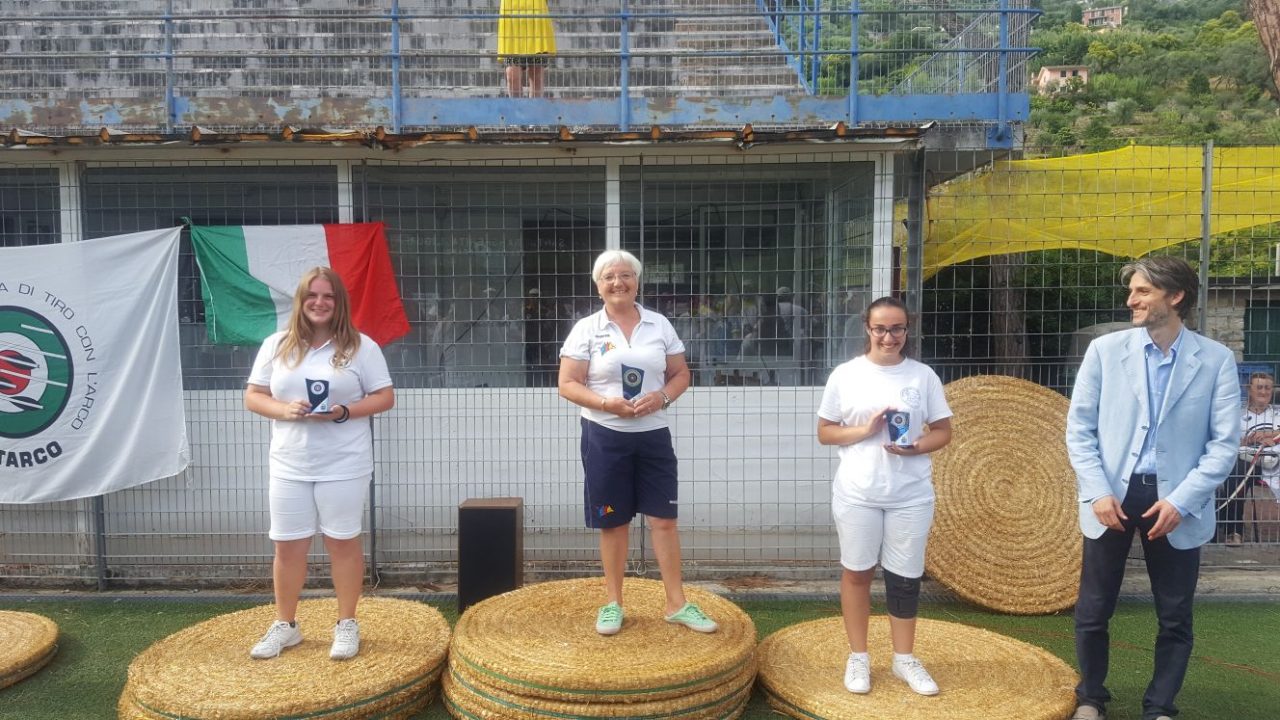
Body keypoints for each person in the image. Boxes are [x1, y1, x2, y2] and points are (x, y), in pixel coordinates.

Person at [1065, 256, 1240, 720]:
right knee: (1094, 606)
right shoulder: (1105, 352)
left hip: (1178, 502)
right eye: (1133, 291)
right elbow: (1078, 429)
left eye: (1142, 291)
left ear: (1175, 296)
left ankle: (1160, 707)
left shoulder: (1217, 360)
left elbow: (1224, 445)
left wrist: (1183, 500)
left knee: (1176, 613)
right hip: (1112, 497)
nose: (1131, 300)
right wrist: (1098, 492)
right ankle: (1090, 699)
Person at [558, 250, 718, 636]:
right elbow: (567, 383)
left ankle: (676, 603)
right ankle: (613, 602)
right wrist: (605, 403)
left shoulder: (659, 324)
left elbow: (681, 373)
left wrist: (661, 397)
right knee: (613, 522)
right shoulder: (586, 329)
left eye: (626, 275)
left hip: (653, 435)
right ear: (598, 285)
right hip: (604, 435)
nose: (618, 283)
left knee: (664, 519)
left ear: (637, 281)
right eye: (609, 276)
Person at [244, 267, 395, 661]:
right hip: (289, 463)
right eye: (312, 295)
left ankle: (346, 623)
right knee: (287, 545)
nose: (320, 302)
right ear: (300, 300)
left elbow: (384, 396)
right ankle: (286, 625)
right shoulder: (276, 345)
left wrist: (345, 412)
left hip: (345, 462)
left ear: (339, 302)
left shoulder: (363, 347)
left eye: (328, 296)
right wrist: (283, 409)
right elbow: (254, 396)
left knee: (342, 541)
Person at [816, 296, 953, 697]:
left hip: (910, 493)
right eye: (881, 328)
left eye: (897, 329)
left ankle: (903, 657)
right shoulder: (845, 374)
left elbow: (943, 431)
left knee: (905, 578)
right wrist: (865, 430)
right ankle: (858, 656)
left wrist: (917, 446)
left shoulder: (923, 375)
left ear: (907, 331)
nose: (889, 336)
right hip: (858, 491)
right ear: (867, 328)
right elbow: (825, 432)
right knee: (858, 571)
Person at [1223, 371, 1280, 546]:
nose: (1263, 392)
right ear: (1249, 389)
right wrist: (1246, 439)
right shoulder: (1237, 414)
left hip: (1276, 461)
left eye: (1267, 388)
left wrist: (1271, 434)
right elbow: (1227, 438)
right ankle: (1234, 532)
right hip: (1248, 462)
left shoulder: (1277, 413)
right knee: (1235, 473)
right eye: (1259, 387)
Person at [498, 0, 556, 98]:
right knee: (512, 75)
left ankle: (533, 111)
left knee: (536, 74)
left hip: (536, 15)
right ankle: (516, 111)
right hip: (511, 16)